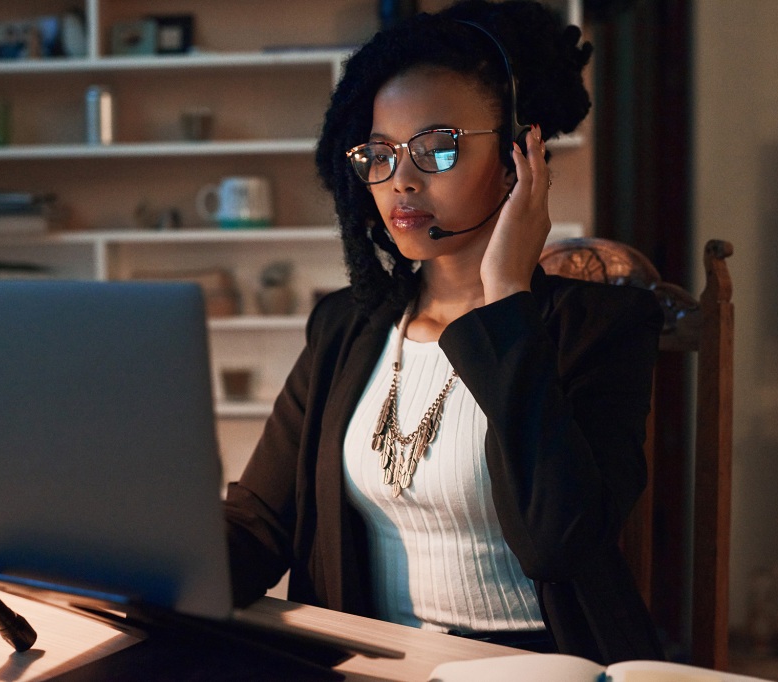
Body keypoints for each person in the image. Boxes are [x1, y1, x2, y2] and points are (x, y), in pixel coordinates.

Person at [224, 0, 665, 665]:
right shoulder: (346, 325)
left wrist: (509, 297)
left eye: (437, 146)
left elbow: (557, 544)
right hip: (374, 661)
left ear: (522, 153)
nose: (401, 178)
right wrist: (125, 566)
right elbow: (259, 525)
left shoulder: (600, 328)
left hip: (541, 669)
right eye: (379, 152)